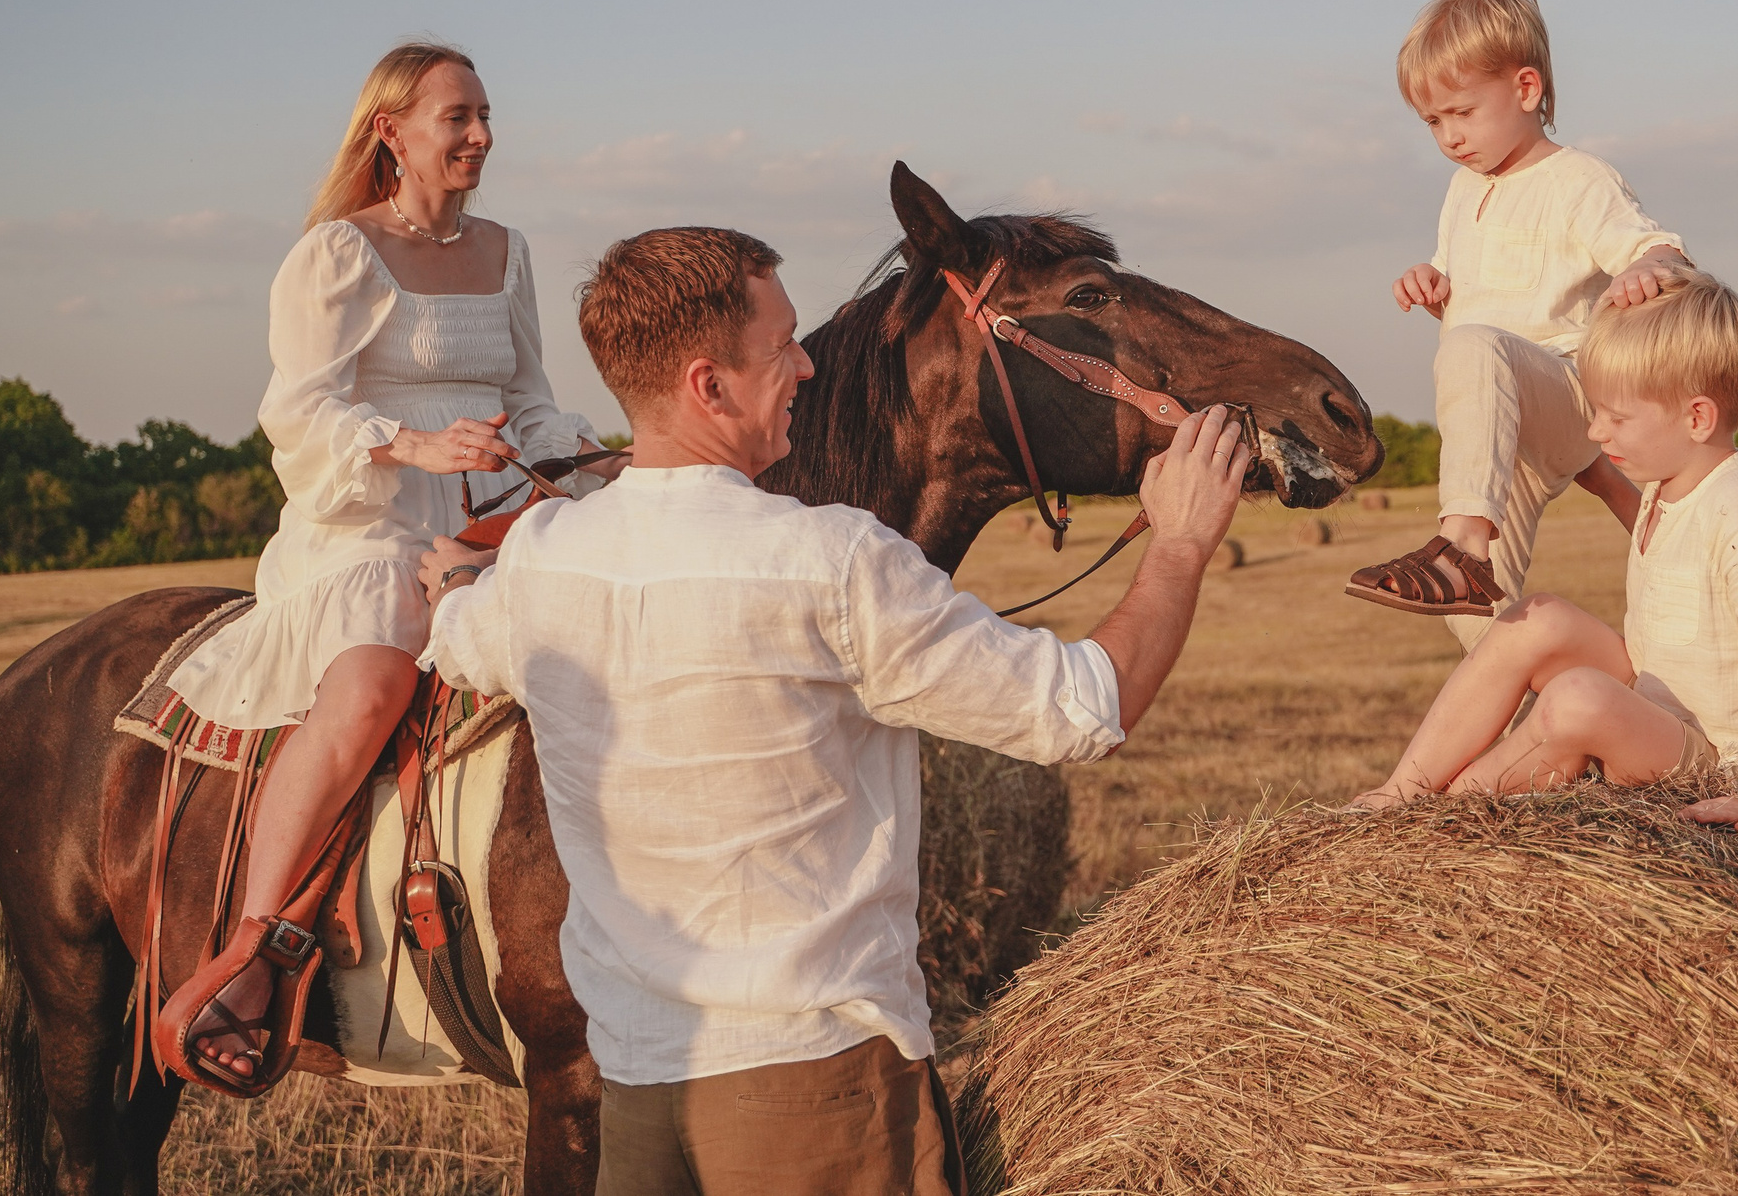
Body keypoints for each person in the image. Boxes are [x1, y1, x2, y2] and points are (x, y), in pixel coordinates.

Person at [415, 226, 1250, 1196]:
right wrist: (1183, 543)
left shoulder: (546, 556)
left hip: (637, 1090)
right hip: (816, 1084)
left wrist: (449, 581)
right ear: (707, 386)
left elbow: (461, 644)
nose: (810, 366)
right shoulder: (833, 562)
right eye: (783, 347)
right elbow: (1079, 709)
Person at [159, 42, 620, 1087]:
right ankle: (255, 943)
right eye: (456, 117)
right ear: (391, 133)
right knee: (372, 683)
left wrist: (590, 462)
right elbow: (297, 410)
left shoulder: (508, 250)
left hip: (491, 509)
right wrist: (408, 446)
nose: (480, 135)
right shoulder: (335, 252)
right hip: (368, 521)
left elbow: (533, 398)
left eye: (486, 115)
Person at [1352, 267, 1738, 831]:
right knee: (1535, 619)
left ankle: (1441, 818)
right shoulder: (1673, 478)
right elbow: (1671, 544)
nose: (1596, 432)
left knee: (1576, 698)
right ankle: (1401, 791)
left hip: (1718, 758)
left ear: (1697, 418)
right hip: (1658, 699)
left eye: (1616, 417)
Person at [1344, 0, 1693, 649]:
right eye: (1433, 122)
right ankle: (1555, 731)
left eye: (1462, 112)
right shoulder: (1461, 190)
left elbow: (1659, 247)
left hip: (1565, 390)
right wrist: (1434, 284)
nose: (1449, 136)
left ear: (1526, 89)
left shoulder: (1579, 178)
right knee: (1472, 626)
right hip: (1502, 436)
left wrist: (1650, 266)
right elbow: (1475, 298)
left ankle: (1461, 546)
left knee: (1475, 346)